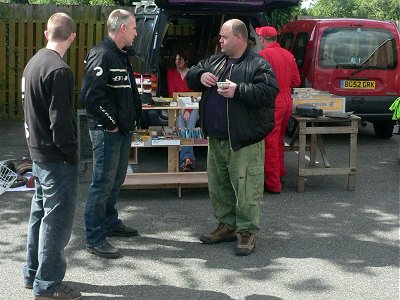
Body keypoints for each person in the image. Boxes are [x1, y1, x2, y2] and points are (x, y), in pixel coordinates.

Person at [186, 19, 279, 256]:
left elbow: (269, 92)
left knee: (247, 189)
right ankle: (227, 226)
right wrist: (201, 75)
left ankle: (247, 232)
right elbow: (192, 72)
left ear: (239, 37)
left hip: (244, 139)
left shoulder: (258, 64)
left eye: (224, 37)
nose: (220, 40)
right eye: (220, 36)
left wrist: (238, 90)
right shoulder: (215, 61)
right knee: (219, 187)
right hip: (216, 138)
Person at [21, 12, 82, 300]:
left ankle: (32, 273)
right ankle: (47, 285)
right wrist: (72, 156)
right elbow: (60, 123)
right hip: (55, 158)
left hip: (37, 152)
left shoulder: (33, 63)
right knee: (55, 223)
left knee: (39, 215)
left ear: (47, 34)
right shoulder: (59, 70)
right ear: (72, 37)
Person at [81, 9, 142, 259]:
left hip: (122, 131)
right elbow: (90, 97)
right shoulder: (102, 54)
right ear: (123, 29)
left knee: (116, 180)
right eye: (135, 27)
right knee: (102, 183)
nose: (137, 33)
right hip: (107, 132)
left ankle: (109, 222)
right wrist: (111, 124)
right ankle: (95, 237)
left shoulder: (121, 54)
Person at [257, 26, 301, 194]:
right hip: (286, 102)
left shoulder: (263, 56)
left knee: (270, 143)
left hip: (272, 104)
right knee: (278, 140)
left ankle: (273, 184)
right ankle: (280, 173)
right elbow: (296, 81)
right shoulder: (288, 55)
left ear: (262, 39)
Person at [167, 50, 198, 171]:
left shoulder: (192, 73)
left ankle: (185, 159)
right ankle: (188, 159)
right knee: (182, 128)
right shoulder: (171, 73)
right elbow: (172, 93)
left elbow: (194, 93)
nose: (177, 62)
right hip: (178, 106)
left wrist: (188, 110)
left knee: (188, 128)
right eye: (176, 59)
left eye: (180, 59)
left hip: (192, 105)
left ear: (186, 60)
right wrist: (182, 109)